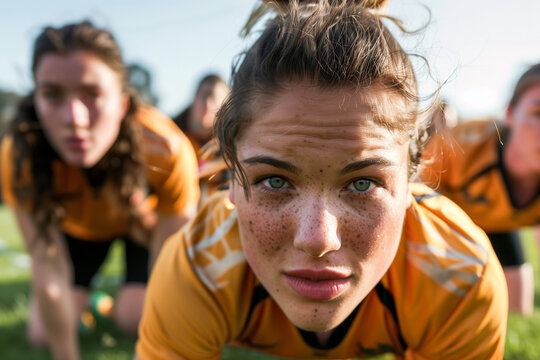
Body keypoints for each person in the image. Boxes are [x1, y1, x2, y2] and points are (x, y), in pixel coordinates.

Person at [136, 1, 507, 359]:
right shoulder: (199, 266)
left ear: (411, 184)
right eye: (275, 182)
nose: (317, 239)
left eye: (363, 183)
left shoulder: (459, 275)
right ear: (231, 180)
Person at [0, 21, 199, 360]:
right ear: (35, 98)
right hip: (79, 234)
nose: (74, 118)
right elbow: (47, 270)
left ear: (122, 103)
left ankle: (110, 305)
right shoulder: (20, 156)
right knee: (40, 334)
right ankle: (88, 302)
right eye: (52, 94)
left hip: (140, 228)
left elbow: (170, 268)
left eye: (92, 94)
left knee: (134, 319)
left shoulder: (166, 148)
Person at [421, 63, 540, 315]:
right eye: (538, 113)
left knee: (519, 307)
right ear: (510, 113)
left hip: (501, 221)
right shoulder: (457, 146)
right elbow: (414, 201)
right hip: (451, 217)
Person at [173, 74, 231, 204]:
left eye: (215, 98)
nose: (207, 104)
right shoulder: (172, 132)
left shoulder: (233, 143)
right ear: (194, 98)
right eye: (203, 96)